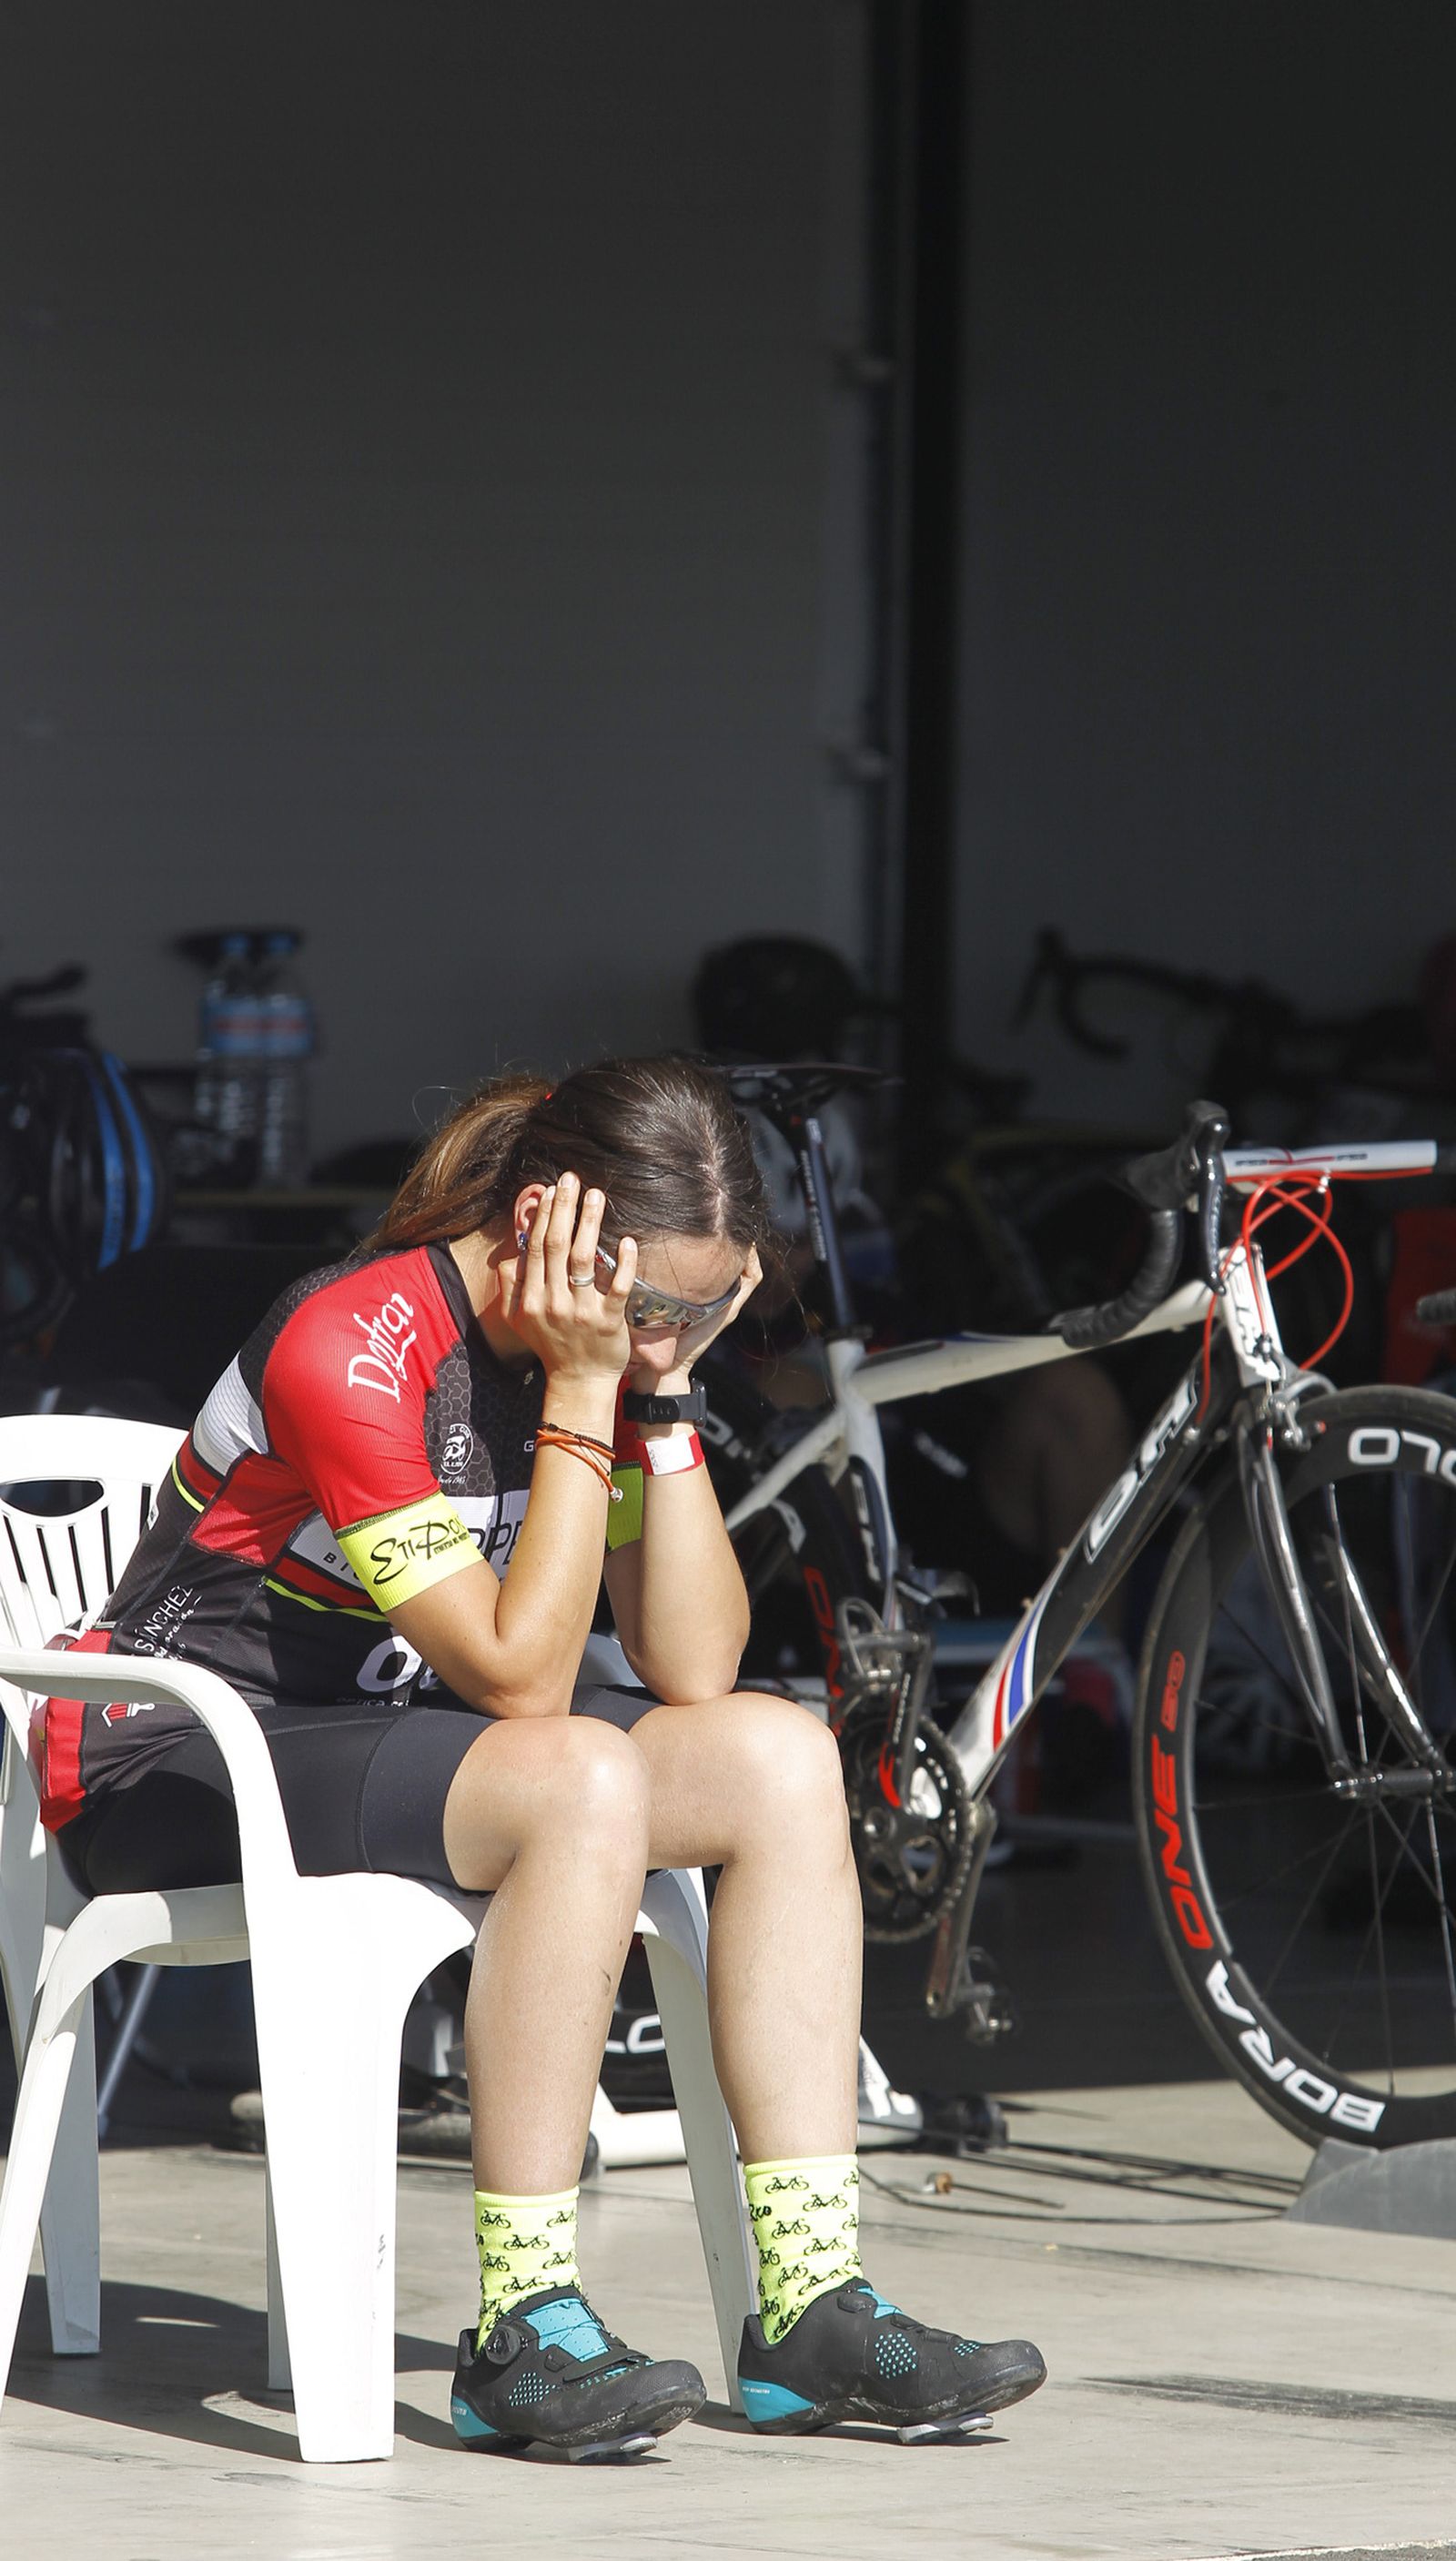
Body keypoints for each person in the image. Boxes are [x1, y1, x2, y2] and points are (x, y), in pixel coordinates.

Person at [40, 1057, 1046, 2461]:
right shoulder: (357, 1344)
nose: (664, 1336)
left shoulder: (610, 1355)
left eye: (704, 1312)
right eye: (653, 1309)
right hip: (181, 1748)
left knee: (781, 1757)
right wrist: (590, 1389)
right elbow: (518, 1675)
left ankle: (809, 2306)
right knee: (581, 1772)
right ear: (539, 1224)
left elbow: (693, 1666)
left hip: (398, 1722)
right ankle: (521, 2327)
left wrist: (663, 1397)